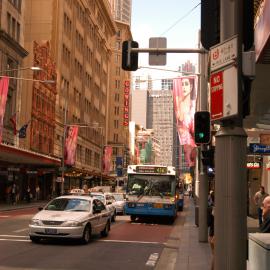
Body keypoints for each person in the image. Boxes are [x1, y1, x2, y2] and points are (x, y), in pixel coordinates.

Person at [208, 191, 215, 270]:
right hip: (214, 236)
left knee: (214, 255)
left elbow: (209, 223)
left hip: (211, 234)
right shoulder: (217, 211)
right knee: (215, 255)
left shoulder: (212, 209)